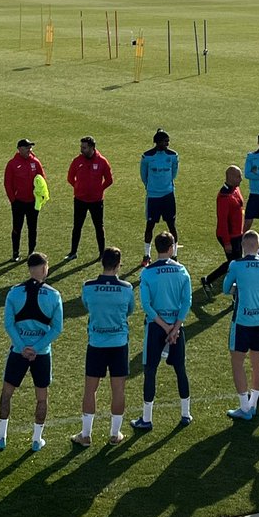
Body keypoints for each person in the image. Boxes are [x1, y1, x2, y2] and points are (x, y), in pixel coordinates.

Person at [0, 253, 63, 452]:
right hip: (42, 354)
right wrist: (36, 348)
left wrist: (23, 347)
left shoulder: (14, 293)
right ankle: (36, 440)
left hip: (18, 352)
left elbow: (8, 324)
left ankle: (1, 436)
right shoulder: (54, 295)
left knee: (7, 394)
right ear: (43, 268)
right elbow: (57, 329)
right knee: (42, 397)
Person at [72, 247, 136, 447]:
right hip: (118, 343)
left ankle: (86, 434)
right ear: (118, 265)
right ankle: (115, 434)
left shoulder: (88, 287)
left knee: (90, 389)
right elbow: (130, 310)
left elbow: (87, 306)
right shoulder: (127, 288)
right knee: (118, 390)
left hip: (96, 343)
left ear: (102, 263)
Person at [132, 232, 194, 431]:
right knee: (180, 370)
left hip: (155, 327)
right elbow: (187, 302)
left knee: (150, 371)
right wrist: (175, 327)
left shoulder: (147, 273)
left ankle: (147, 418)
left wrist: (164, 326)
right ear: (171, 248)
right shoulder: (182, 271)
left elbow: (146, 305)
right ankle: (185, 414)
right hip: (176, 329)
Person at [224, 231, 259, 421]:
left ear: (243, 246)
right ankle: (252, 403)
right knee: (257, 363)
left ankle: (245, 408)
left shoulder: (236, 265)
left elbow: (226, 288)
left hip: (242, 320)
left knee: (237, 362)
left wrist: (238, 288)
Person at [199, 166, 245, 299]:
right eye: (238, 176)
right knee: (235, 264)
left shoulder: (235, 188)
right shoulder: (224, 196)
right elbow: (223, 221)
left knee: (234, 263)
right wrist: (227, 242)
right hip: (229, 236)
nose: (241, 179)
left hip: (237, 234)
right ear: (230, 177)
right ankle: (211, 281)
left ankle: (209, 280)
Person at [66, 136, 113, 261]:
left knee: (99, 226)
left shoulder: (102, 161)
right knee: (77, 226)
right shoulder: (77, 161)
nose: (82, 150)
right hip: (80, 199)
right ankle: (73, 252)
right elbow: (70, 177)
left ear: (92, 148)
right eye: (81, 147)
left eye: (84, 147)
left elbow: (109, 180)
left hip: (96, 201)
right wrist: (77, 187)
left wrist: (99, 190)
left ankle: (102, 253)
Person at [140, 128, 179, 267]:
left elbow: (174, 172)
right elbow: (143, 175)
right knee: (149, 225)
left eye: (168, 141)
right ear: (157, 142)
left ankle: (174, 255)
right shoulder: (147, 157)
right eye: (165, 141)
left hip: (168, 195)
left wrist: (166, 185)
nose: (167, 144)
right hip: (153, 196)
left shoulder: (173, 156)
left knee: (171, 225)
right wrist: (151, 187)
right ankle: (147, 254)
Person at [4, 139, 45, 263]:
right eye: (27, 147)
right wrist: (13, 200)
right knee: (17, 227)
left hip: (33, 202)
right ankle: (15, 253)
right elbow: (8, 183)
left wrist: (40, 196)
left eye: (30, 148)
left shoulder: (35, 162)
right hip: (19, 202)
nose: (29, 150)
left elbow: (42, 180)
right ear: (20, 149)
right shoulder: (12, 164)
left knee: (32, 227)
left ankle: (31, 252)